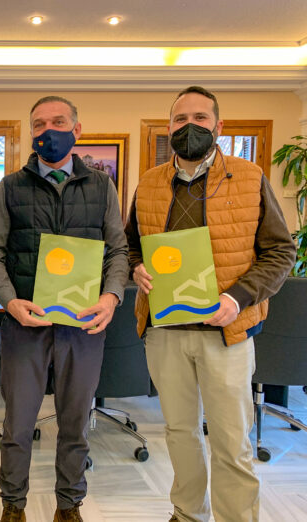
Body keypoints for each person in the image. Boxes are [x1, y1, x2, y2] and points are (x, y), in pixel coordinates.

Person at [126, 85, 296, 522]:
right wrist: (136, 268)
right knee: (179, 432)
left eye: (200, 118)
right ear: (169, 127)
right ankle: (187, 512)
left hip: (227, 331)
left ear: (219, 126)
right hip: (165, 330)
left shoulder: (250, 177)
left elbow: (281, 252)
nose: (190, 126)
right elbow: (130, 246)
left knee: (231, 441)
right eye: (181, 119)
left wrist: (237, 299)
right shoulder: (149, 183)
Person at [0, 96, 129, 522]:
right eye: (39, 124)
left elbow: (118, 251)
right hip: (24, 326)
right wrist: (10, 301)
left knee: (75, 423)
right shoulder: (11, 187)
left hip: (82, 326)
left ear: (77, 130)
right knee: (17, 424)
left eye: (59, 121)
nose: (49, 130)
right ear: (32, 132)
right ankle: (13, 504)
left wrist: (111, 296)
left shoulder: (101, 187)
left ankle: (69, 505)